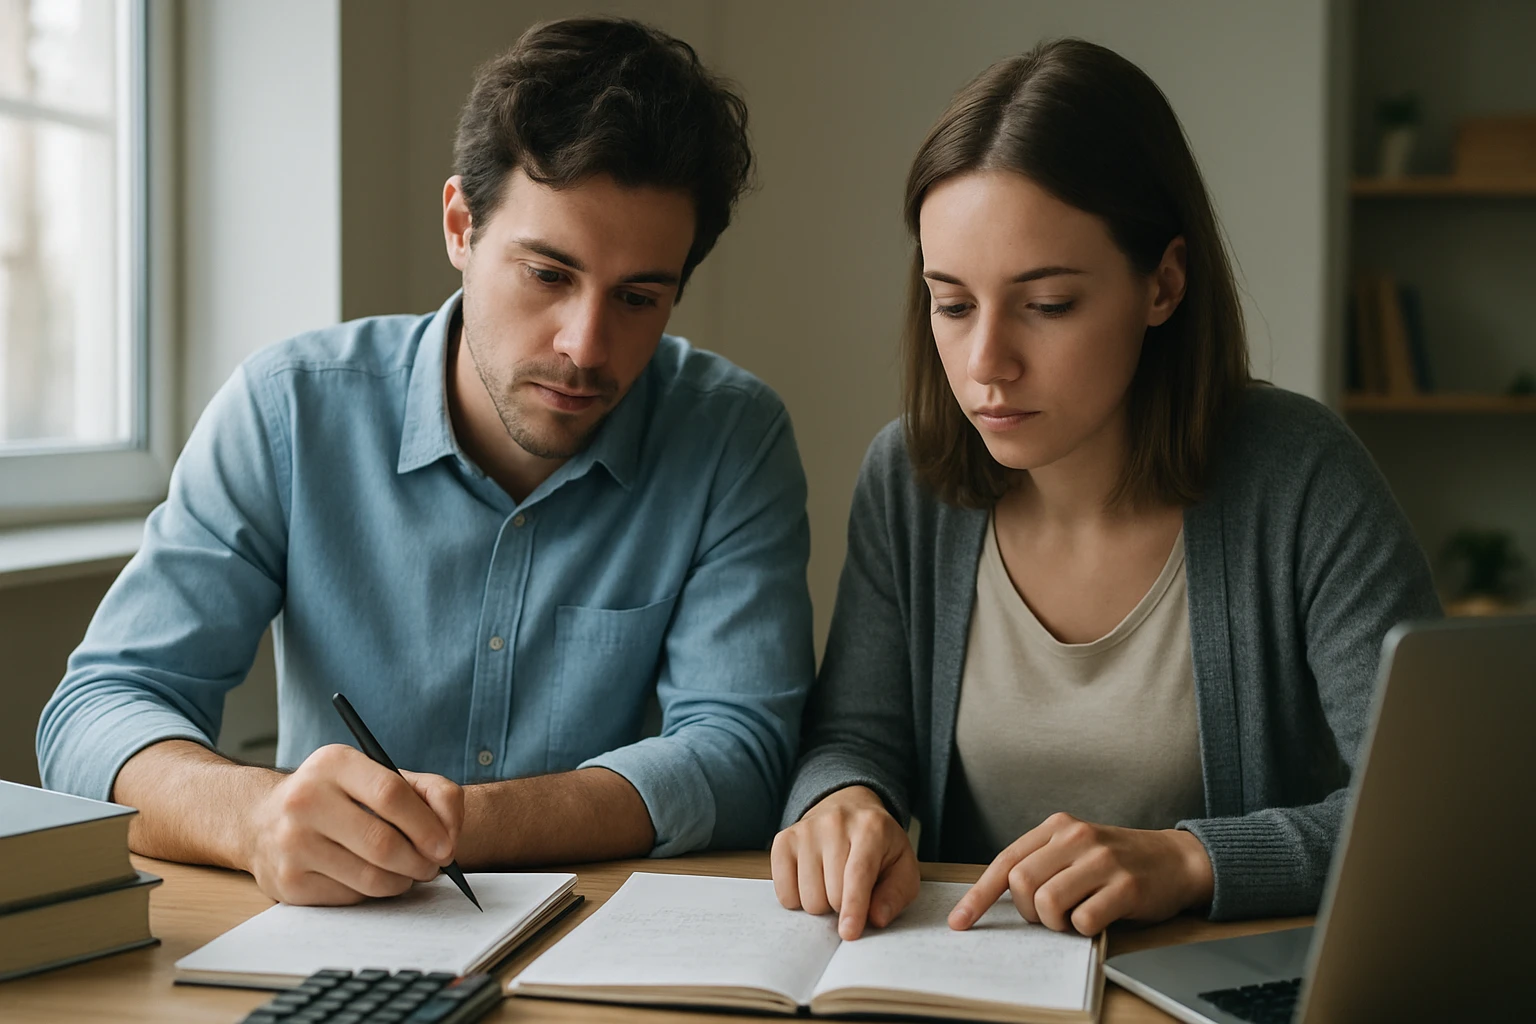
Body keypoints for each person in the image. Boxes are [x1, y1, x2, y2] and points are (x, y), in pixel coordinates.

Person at [37, 17, 815, 906]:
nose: (586, 345)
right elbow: (95, 712)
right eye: (548, 275)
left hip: (603, 948)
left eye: (639, 297)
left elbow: (742, 754)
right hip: (328, 937)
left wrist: (464, 823)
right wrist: (254, 816)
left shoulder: (730, 438)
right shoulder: (289, 408)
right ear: (460, 226)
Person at [770, 38, 1440, 942]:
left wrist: (1190, 859)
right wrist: (842, 800)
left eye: (1047, 305)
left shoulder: (1300, 476)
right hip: (980, 978)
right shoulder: (911, 477)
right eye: (952, 303)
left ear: (1162, 284)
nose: (986, 364)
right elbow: (854, 732)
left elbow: (1428, 818)